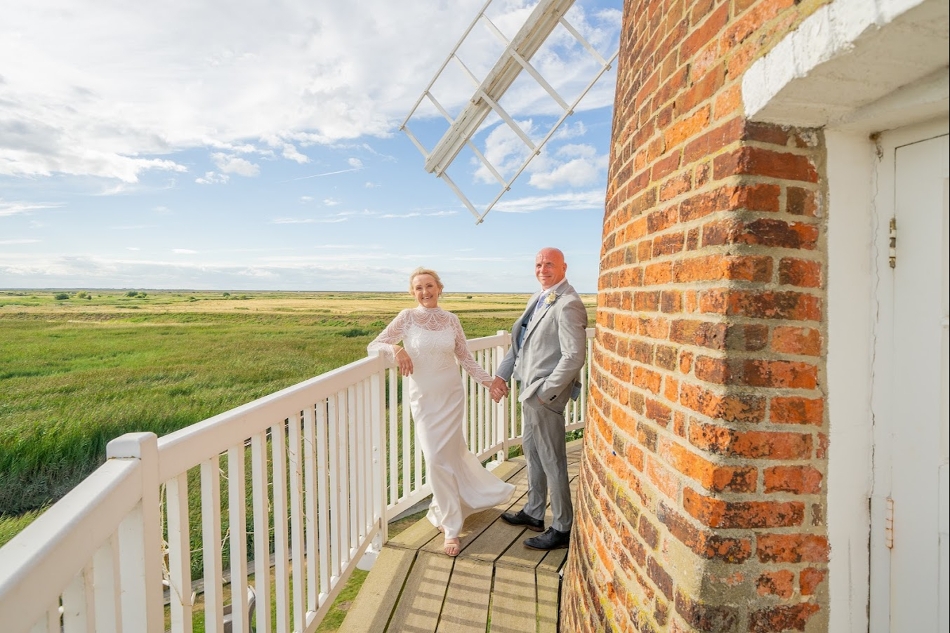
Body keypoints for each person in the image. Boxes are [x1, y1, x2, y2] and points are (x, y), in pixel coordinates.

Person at [368, 267, 515, 557]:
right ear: (413, 293)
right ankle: (449, 509)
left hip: (451, 395)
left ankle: (450, 526)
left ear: (439, 288)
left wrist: (488, 382)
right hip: (423, 398)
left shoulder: (451, 320)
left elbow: (465, 357)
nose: (425, 292)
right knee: (436, 458)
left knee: (445, 456)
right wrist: (396, 351)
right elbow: (374, 344)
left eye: (429, 286)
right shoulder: (407, 318)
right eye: (419, 288)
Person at [489, 247, 587, 551]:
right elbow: (518, 346)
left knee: (553, 460)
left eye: (549, 264)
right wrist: (501, 376)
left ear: (564, 267)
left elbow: (574, 356)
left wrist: (546, 393)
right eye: (539, 264)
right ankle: (534, 511)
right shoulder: (538, 297)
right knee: (532, 453)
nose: (542, 269)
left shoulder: (568, 303)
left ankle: (562, 527)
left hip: (544, 396)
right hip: (528, 392)